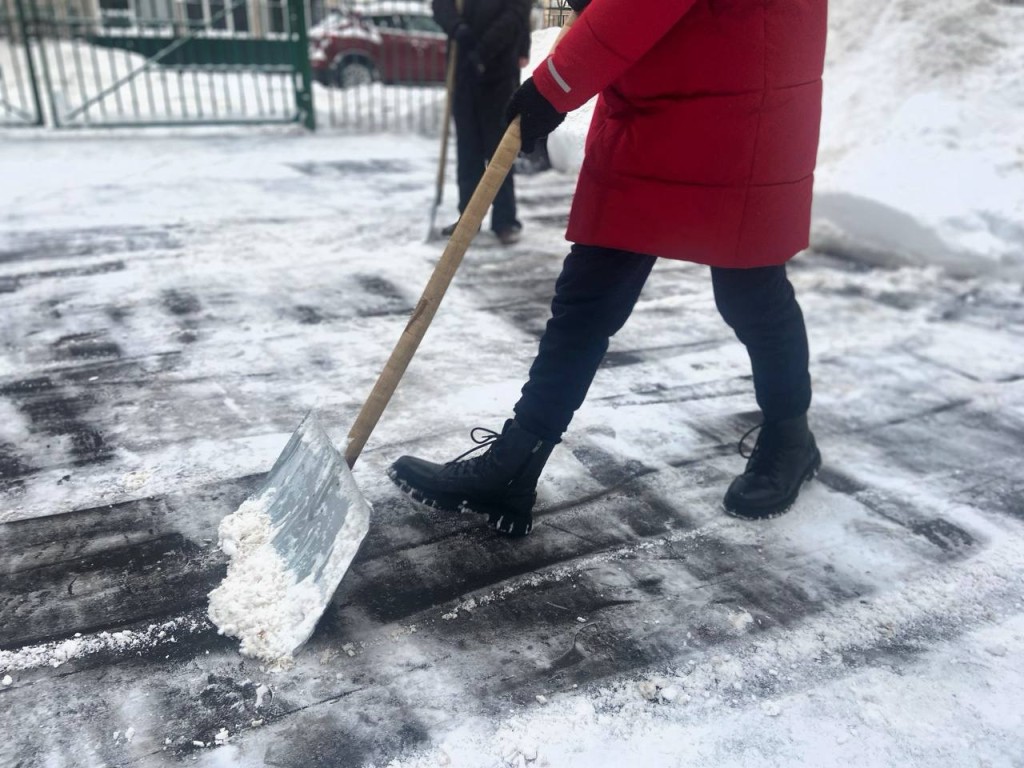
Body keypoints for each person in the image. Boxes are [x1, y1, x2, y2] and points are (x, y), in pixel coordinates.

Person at [391, 0, 828, 535]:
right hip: (654, 107)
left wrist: (552, 87)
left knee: (750, 291)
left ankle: (790, 437)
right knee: (586, 299)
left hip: (742, 108)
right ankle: (514, 464)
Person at [433, 0, 532, 245]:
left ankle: (505, 220)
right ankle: (468, 219)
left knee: (498, 151)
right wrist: (457, 28)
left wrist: (484, 50)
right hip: (463, 71)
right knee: (468, 152)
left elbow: (516, 15)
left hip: (499, 74)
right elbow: (440, 6)